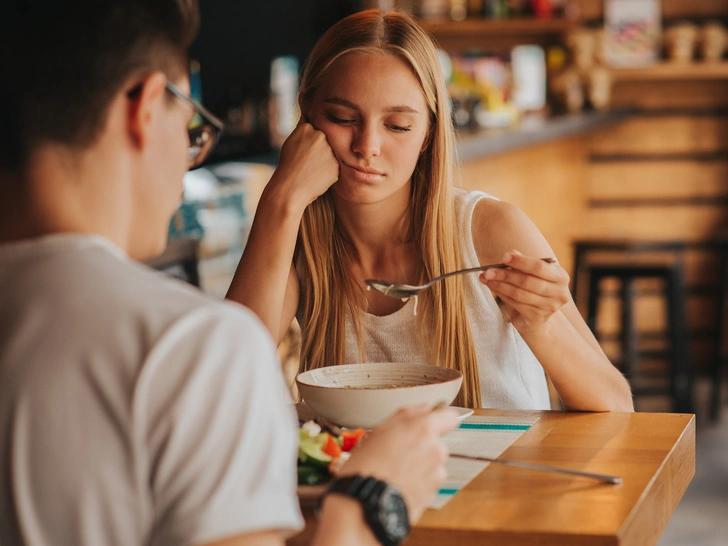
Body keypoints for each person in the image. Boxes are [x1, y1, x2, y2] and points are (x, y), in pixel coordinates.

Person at [0, 2, 459, 546]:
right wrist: (367, 502)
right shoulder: (189, 346)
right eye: (191, 118)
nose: (191, 152)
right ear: (148, 108)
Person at [227, 9, 634, 413]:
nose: (367, 145)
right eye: (342, 118)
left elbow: (616, 408)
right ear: (307, 117)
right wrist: (280, 199)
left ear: (427, 135)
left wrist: (541, 325)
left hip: (503, 474)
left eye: (398, 126)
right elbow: (223, 381)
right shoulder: (297, 242)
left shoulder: (490, 231)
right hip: (368, 479)